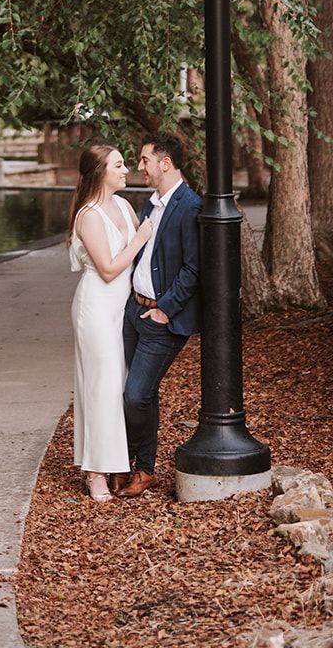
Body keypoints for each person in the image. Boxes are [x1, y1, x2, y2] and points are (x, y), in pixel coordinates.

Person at [114, 132, 202, 498]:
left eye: (145, 159)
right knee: (138, 394)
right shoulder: (151, 205)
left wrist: (164, 310)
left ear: (165, 163)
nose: (140, 166)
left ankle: (144, 466)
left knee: (136, 395)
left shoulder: (191, 206)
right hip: (135, 311)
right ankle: (139, 466)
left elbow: (194, 269)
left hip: (161, 321)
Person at [68, 144, 154, 501]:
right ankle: (95, 473)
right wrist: (139, 239)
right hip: (98, 308)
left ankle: (117, 462)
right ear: (101, 171)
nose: (126, 169)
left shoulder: (122, 205)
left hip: (123, 308)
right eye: (119, 165)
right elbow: (107, 268)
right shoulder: (88, 215)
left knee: (119, 385)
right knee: (100, 388)